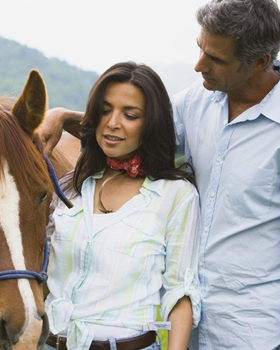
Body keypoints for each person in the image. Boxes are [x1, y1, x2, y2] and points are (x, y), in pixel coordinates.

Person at [39, 1, 280, 349]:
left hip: (262, 335)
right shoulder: (196, 103)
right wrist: (63, 118)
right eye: (201, 48)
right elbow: (131, 134)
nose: (199, 65)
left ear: (260, 61)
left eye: (216, 59)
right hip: (197, 330)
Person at [44, 62, 201, 350]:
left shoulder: (175, 195)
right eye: (105, 110)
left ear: (151, 123)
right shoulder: (69, 187)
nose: (112, 123)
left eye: (130, 115)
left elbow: (180, 291)